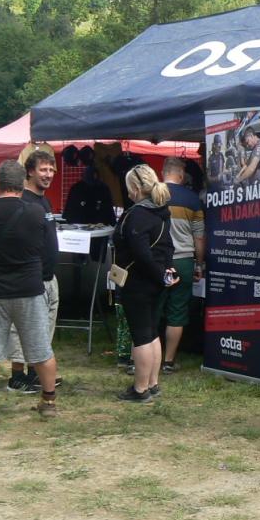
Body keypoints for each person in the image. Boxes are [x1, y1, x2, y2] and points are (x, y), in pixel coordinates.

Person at [0, 160, 59, 426]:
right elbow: (43, 245)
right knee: (41, 349)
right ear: (22, 183)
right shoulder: (36, 212)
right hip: (29, 289)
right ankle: (48, 402)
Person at [111, 164, 176, 402]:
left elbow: (142, 254)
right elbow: (167, 246)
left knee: (140, 336)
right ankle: (152, 383)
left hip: (138, 281)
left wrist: (160, 274)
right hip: (156, 282)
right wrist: (166, 273)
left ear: (136, 188)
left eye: (128, 187)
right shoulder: (161, 210)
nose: (127, 192)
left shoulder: (137, 214)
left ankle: (140, 389)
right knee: (151, 332)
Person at [5, 150, 62, 393]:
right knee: (22, 327)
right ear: (30, 171)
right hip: (30, 278)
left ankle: (36, 373)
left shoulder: (44, 201)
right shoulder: (24, 201)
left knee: (44, 327)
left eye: (51, 170)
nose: (48, 175)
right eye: (43, 170)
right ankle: (17, 377)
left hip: (49, 278)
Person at [159, 157, 205, 374]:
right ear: (181, 175)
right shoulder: (193, 199)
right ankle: (168, 362)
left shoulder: (152, 195)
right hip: (183, 261)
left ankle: (139, 358)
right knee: (177, 312)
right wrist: (199, 264)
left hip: (157, 262)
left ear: (163, 173)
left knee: (151, 310)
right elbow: (199, 237)